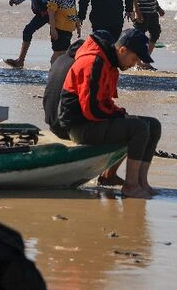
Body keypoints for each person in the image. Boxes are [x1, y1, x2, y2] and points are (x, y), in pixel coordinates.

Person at [47, 29, 160, 198]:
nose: (134, 63)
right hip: (78, 126)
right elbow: (91, 110)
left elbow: (104, 103)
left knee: (153, 125)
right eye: (134, 58)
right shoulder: (94, 62)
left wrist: (121, 114)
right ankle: (130, 186)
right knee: (138, 128)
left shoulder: (109, 62)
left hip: (90, 121)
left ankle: (141, 182)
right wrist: (120, 117)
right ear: (122, 50)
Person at [46, 0, 81, 64]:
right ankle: (52, 71)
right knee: (58, 52)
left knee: (65, 52)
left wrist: (78, 26)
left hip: (68, 30)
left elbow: (74, 13)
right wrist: (53, 29)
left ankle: (60, 72)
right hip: (58, 29)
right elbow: (51, 14)